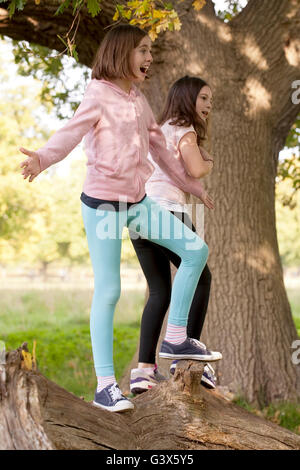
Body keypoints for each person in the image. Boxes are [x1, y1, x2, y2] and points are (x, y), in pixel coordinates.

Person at [19, 25, 215, 413]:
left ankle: (176, 335)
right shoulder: (97, 95)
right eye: (142, 50)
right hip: (104, 205)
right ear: (121, 52)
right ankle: (105, 386)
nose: (149, 58)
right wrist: (42, 158)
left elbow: (162, 153)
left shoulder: (139, 102)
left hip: (139, 203)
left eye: (150, 52)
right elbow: (70, 133)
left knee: (195, 250)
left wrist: (191, 187)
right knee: (109, 290)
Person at [129, 76, 221, 395]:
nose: (209, 105)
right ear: (188, 99)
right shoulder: (185, 129)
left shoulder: (160, 127)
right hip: (166, 210)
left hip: (139, 213)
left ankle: (143, 371)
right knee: (201, 277)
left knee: (159, 291)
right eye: (204, 99)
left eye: (211, 100)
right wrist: (207, 162)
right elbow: (195, 169)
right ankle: (185, 357)